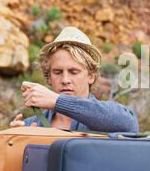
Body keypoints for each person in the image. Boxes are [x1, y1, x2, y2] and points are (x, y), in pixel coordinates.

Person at [10, 26, 139, 133]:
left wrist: (57, 101)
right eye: (57, 72)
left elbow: (129, 123)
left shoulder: (104, 119)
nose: (65, 79)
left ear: (91, 76)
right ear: (49, 77)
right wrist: (17, 142)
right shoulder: (31, 125)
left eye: (73, 72)